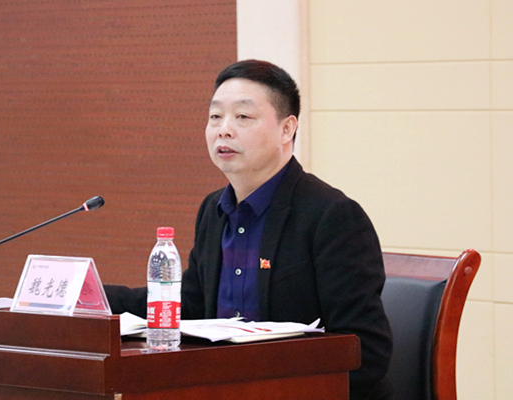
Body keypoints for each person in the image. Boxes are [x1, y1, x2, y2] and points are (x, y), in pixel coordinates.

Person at [105, 59, 393, 400]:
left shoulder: (331, 215)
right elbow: (191, 306)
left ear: (286, 129)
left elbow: (366, 350)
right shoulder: (214, 210)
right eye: (215, 116)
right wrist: (95, 297)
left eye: (242, 117)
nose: (224, 130)